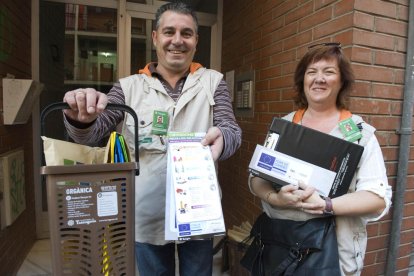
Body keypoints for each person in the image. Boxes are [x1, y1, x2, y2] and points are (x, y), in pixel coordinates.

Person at [62, 2, 241, 275]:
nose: (177, 41)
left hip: (198, 209)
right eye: (169, 32)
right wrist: (81, 118)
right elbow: (94, 132)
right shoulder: (127, 87)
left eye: (187, 33)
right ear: (156, 37)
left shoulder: (213, 82)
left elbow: (231, 130)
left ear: (196, 40)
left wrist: (224, 139)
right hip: (146, 213)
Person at [248, 42, 392, 275]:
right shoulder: (284, 126)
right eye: (312, 72)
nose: (319, 79)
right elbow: (256, 178)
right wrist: (275, 197)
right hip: (278, 250)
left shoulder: (359, 134)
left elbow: (377, 198)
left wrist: (327, 205)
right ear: (302, 80)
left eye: (329, 72)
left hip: (334, 256)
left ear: (342, 80)